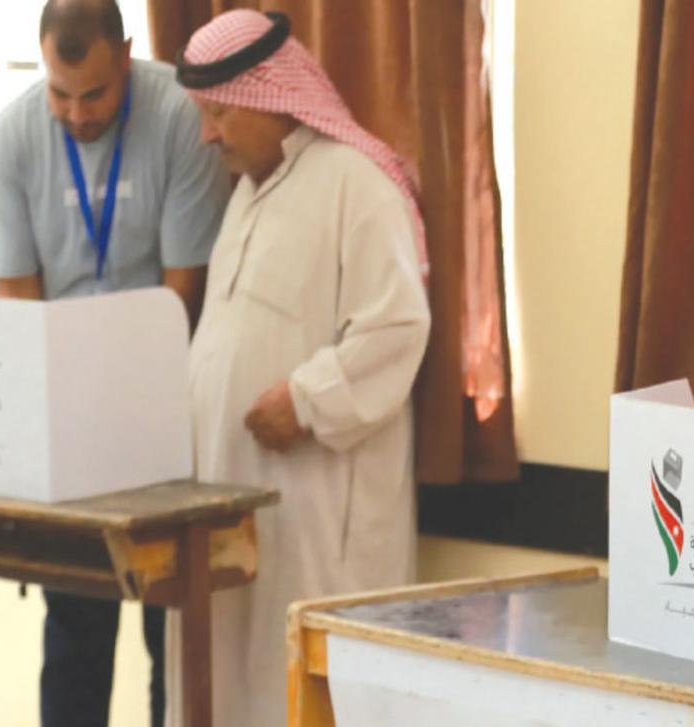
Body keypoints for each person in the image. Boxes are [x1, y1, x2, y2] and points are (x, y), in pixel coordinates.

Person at [166, 9, 430, 725]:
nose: (207, 134)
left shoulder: (355, 182)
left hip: (315, 517)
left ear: (270, 97)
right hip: (232, 515)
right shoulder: (250, 194)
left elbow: (398, 329)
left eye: (219, 112)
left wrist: (308, 401)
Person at [0, 1, 230, 725]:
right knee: (74, 629)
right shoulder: (13, 134)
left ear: (125, 55)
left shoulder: (178, 120)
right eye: (59, 93)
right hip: (68, 421)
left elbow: (182, 292)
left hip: (163, 407)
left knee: (171, 630)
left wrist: (129, 402)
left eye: (93, 94)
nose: (75, 114)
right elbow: (18, 300)